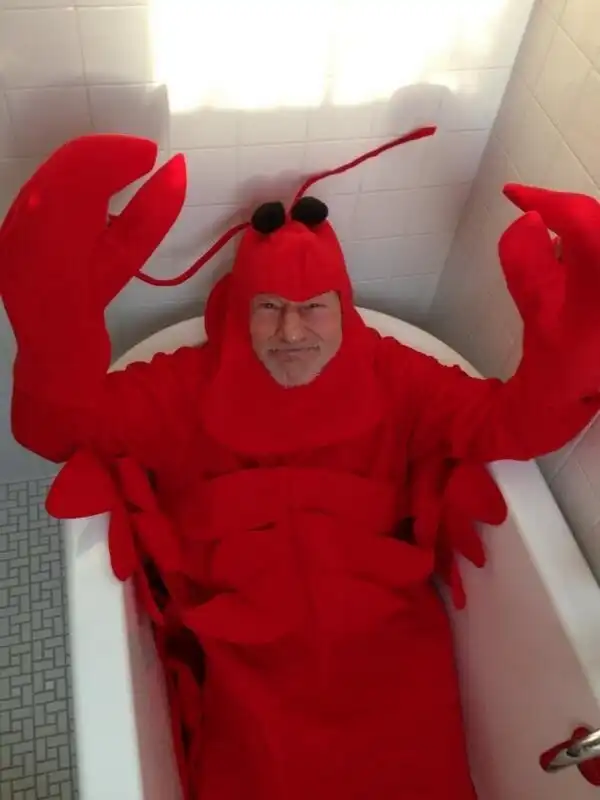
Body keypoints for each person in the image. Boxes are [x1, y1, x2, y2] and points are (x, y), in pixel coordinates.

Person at [2, 129, 600, 800]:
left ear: (342, 305)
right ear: (241, 309)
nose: (291, 333)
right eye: (270, 309)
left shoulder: (396, 375)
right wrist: (54, 308)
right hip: (241, 652)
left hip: (385, 641)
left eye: (313, 307)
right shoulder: (185, 387)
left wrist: (572, 346)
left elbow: (511, 426)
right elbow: (57, 429)